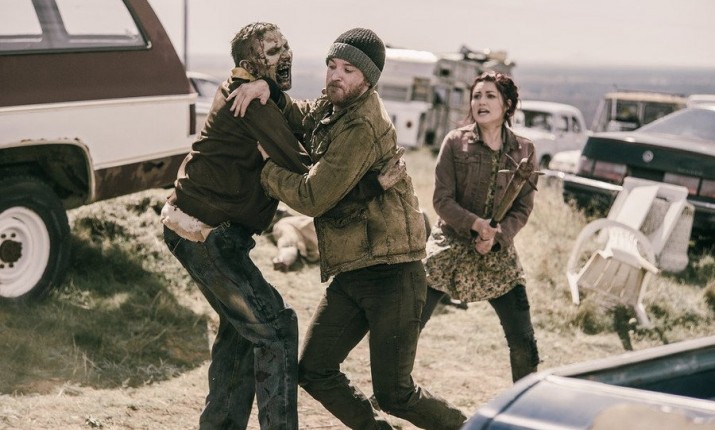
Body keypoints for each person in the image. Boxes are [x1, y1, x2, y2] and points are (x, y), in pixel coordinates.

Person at [160, 22, 397, 430]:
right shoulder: (252, 105)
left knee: (244, 330)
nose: (285, 55)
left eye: (285, 46)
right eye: (272, 52)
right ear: (250, 64)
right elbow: (308, 177)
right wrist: (370, 184)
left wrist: (269, 86)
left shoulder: (250, 90)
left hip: (204, 229)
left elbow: (299, 125)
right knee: (276, 328)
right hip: (203, 233)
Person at [232, 28, 467, 430]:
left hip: (392, 273)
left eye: (348, 70)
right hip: (355, 268)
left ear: (368, 79)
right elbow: (307, 116)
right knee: (315, 370)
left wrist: (268, 169)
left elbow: (312, 197)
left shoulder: (361, 126)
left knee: (395, 394)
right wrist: (269, 91)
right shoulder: (338, 103)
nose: (335, 75)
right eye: (332, 65)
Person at [421, 71, 540, 383]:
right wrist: (475, 225)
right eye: (476, 96)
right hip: (450, 244)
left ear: (507, 104)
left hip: (496, 250)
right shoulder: (454, 142)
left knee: (523, 338)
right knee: (407, 324)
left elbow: (523, 208)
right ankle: (390, 390)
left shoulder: (524, 150)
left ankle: (526, 399)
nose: (480, 102)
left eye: (490, 96)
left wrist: (496, 237)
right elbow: (442, 200)